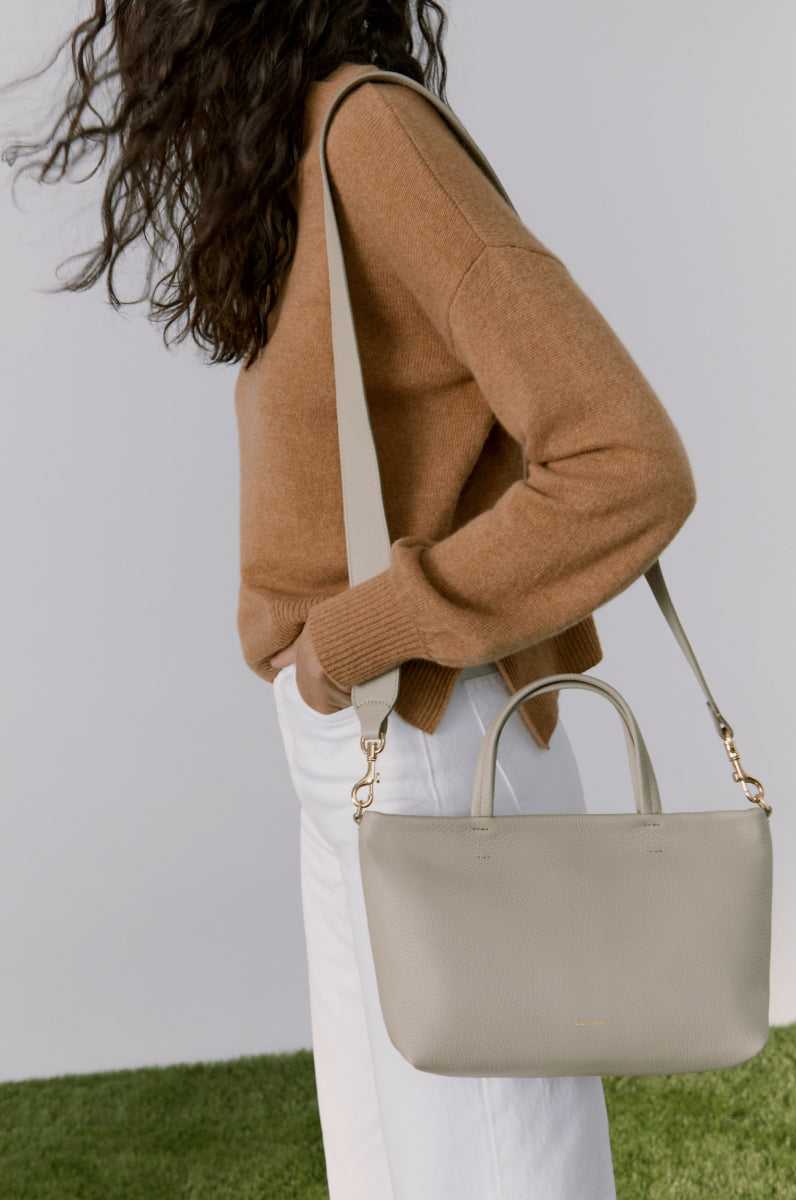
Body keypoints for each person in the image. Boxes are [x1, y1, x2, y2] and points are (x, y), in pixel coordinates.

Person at [2, 3, 697, 1197]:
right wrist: (322, 672)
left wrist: (352, 638)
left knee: (493, 1173)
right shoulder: (303, 152)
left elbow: (627, 461)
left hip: (435, 729)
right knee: (386, 1172)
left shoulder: (373, 136)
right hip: (357, 736)